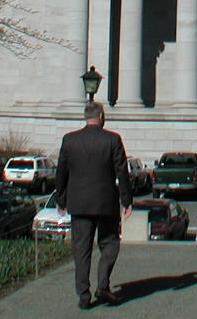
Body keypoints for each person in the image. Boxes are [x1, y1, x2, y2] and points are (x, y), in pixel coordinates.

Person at [55, 101, 133, 310]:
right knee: (110, 244)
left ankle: (83, 294)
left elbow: (61, 172)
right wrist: (127, 201)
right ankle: (103, 285)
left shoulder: (69, 140)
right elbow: (122, 173)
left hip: (79, 204)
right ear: (100, 116)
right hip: (105, 203)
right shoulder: (112, 140)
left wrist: (60, 199)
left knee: (81, 250)